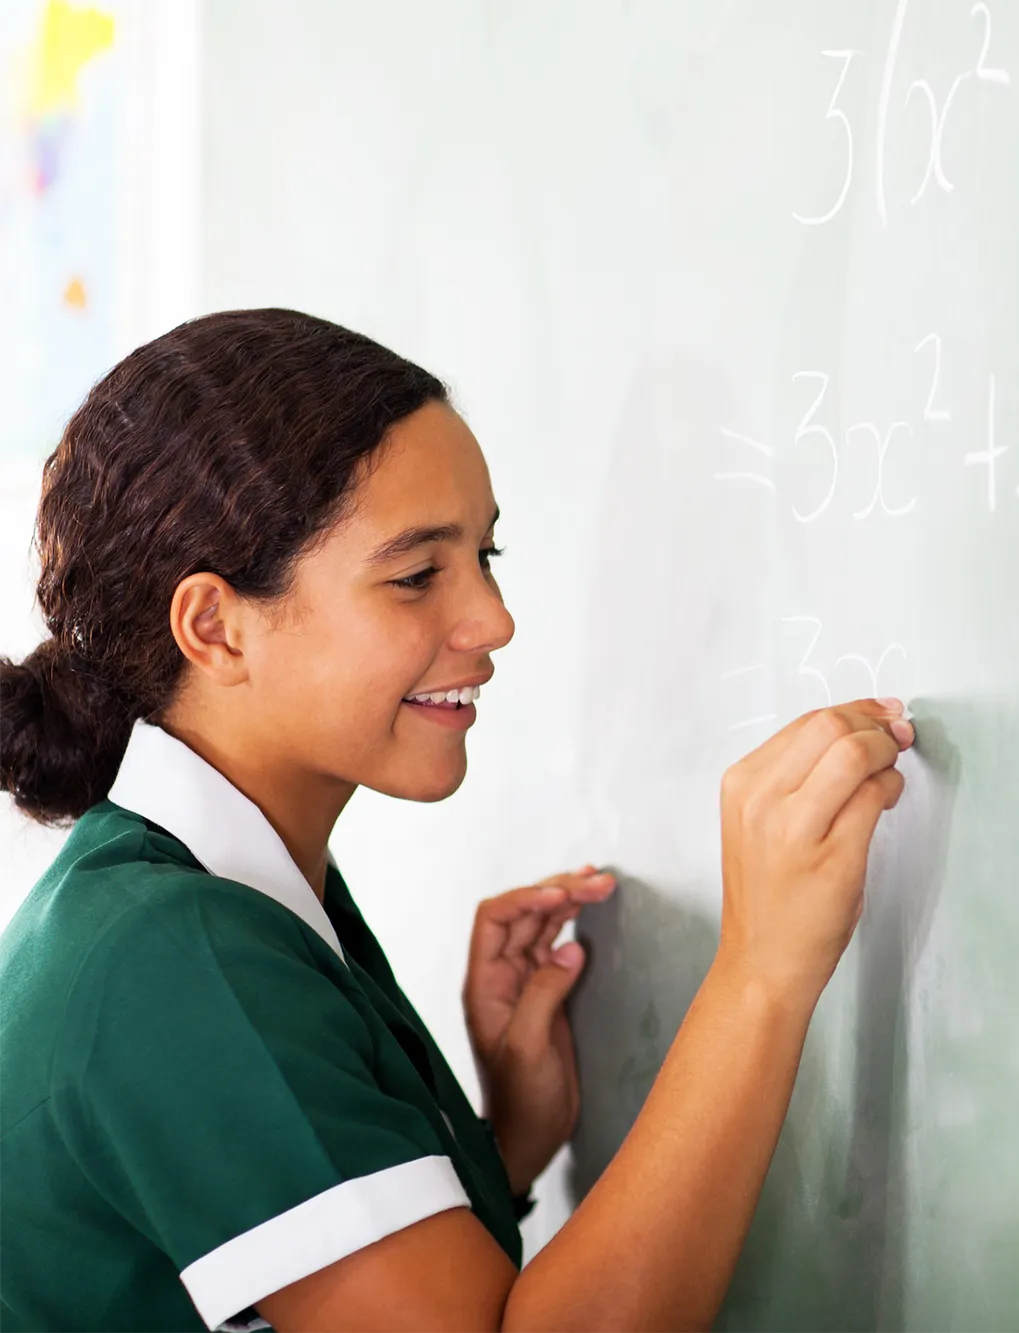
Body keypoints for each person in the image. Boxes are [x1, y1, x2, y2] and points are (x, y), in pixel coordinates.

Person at [0, 309, 913, 1331]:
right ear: (216, 626)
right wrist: (761, 973)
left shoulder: (211, 893)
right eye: (416, 575)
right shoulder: (174, 954)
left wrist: (496, 1142)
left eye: (487, 556)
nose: (493, 621)